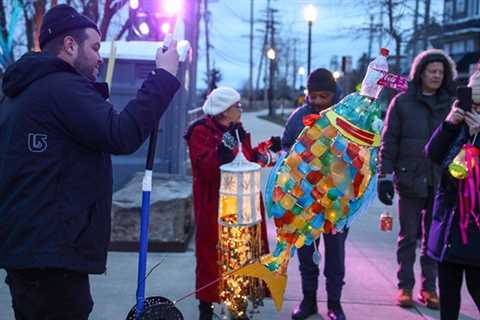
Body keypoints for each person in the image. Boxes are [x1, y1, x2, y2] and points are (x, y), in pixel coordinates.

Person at [0, 4, 180, 320]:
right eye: (95, 47)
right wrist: (163, 76)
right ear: (70, 46)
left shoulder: (23, 92)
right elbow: (121, 134)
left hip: (32, 253)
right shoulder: (60, 87)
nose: (100, 57)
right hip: (52, 258)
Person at [184, 86, 281, 320]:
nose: (241, 109)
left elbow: (247, 159)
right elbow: (206, 168)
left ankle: (237, 307)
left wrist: (269, 148)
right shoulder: (200, 131)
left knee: (241, 255)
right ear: (224, 110)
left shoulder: (237, 130)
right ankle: (205, 309)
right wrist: (224, 146)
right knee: (211, 258)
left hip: (242, 208)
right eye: (237, 106)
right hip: (215, 207)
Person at [377, 49, 457, 309]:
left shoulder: (451, 104)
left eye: (440, 72)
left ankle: (429, 288)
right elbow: (389, 142)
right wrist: (384, 176)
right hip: (410, 178)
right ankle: (405, 287)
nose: (436, 75)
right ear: (420, 72)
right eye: (432, 70)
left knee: (433, 239)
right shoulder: (401, 102)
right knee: (408, 236)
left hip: (442, 181)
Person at [282, 68, 347, 320]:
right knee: (307, 252)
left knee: (335, 253)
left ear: (333, 93)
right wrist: (295, 158)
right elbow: (286, 144)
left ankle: (334, 303)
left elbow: (359, 148)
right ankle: (309, 300)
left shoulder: (344, 116)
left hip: (337, 196)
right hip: (305, 196)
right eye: (314, 96)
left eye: (324, 96)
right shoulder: (298, 116)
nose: (318, 101)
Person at [424, 70, 480, 320]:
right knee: (448, 293)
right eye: (473, 103)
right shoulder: (457, 124)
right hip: (449, 219)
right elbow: (432, 153)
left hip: (475, 225)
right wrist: (449, 124)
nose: (474, 109)